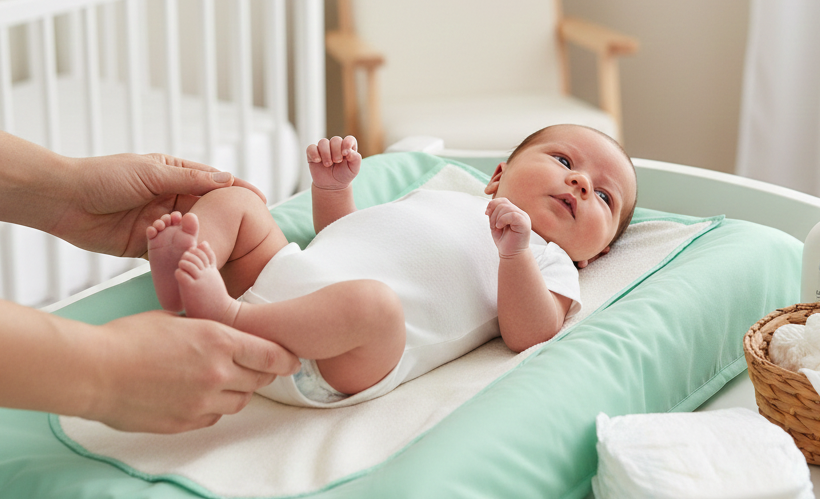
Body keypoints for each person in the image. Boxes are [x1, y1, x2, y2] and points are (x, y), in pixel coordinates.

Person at [146, 123, 637, 408]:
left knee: (374, 304)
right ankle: (181, 279)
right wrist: (333, 191)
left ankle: (228, 318)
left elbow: (529, 333)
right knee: (239, 202)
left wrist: (515, 253)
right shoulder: (440, 196)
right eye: (564, 162)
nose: (580, 184)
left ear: (597, 253)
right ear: (496, 177)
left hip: (335, 356)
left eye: (604, 196)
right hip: (288, 280)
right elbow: (346, 238)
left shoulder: (550, 260)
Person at [0, 132, 300, 432]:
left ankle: (194, 279)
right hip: (302, 314)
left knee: (240, 203)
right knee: (237, 199)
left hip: (295, 308)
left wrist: (72, 191)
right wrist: (105, 367)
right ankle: (190, 274)